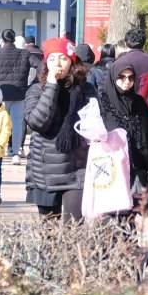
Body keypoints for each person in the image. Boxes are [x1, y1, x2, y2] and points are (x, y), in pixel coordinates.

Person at [24, 37, 95, 221]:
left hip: (77, 169)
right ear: (46, 62)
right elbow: (37, 123)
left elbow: (95, 124)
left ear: (71, 62)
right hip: (45, 171)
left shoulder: (86, 90)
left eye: (63, 58)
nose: (58, 64)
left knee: (73, 230)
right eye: (52, 58)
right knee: (50, 235)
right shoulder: (36, 90)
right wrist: (51, 87)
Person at [101, 57, 148, 223]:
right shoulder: (103, 103)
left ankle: (129, 245)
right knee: (113, 214)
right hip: (111, 171)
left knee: (131, 212)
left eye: (130, 78)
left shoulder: (138, 102)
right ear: (113, 78)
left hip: (136, 169)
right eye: (121, 77)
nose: (126, 82)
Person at [0, 29, 40, 164]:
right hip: (20, 94)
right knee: (17, 123)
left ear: (3, 39)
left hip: (1, 95)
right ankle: (16, 154)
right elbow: (40, 65)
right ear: (14, 39)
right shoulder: (25, 54)